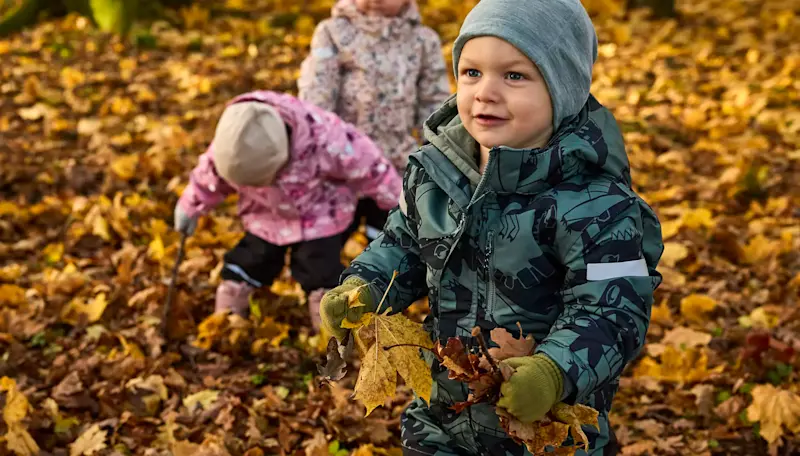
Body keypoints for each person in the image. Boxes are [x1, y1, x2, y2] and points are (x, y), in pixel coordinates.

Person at [318, 0, 664, 454]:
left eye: (514, 76)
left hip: (546, 428)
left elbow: (614, 310)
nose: (485, 92)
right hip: (442, 418)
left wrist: (553, 372)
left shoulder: (595, 204)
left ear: (563, 89)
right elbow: (402, 245)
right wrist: (364, 286)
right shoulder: (436, 174)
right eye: (472, 72)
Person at [173, 91, 401, 331]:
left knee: (319, 267)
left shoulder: (325, 139)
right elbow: (207, 177)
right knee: (251, 259)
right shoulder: (232, 141)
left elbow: (371, 167)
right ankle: (228, 315)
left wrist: (397, 204)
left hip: (320, 216)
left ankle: (329, 319)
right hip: (264, 216)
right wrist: (190, 206)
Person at [298, 0, 450, 244]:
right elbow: (318, 93)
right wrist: (315, 144)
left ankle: (382, 261)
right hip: (342, 163)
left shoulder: (422, 40)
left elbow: (433, 100)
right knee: (324, 240)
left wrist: (437, 149)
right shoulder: (334, 32)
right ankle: (322, 267)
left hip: (394, 162)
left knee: (391, 239)